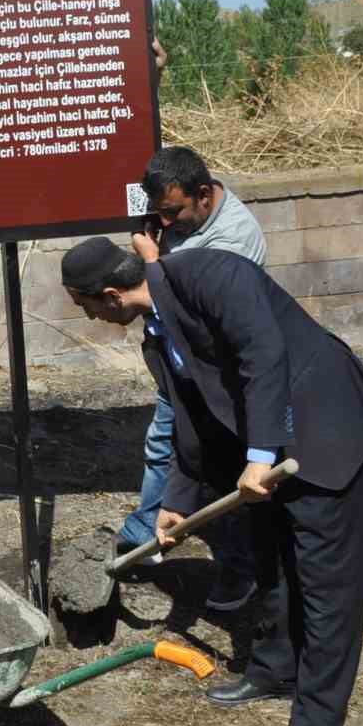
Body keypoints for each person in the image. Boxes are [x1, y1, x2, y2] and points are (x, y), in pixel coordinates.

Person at [61, 237, 363, 726]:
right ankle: (274, 669)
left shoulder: (213, 273)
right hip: (264, 447)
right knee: (270, 561)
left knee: (324, 581)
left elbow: (265, 354)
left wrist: (261, 454)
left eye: (86, 307)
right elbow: (193, 421)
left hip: (325, 425)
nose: (91, 318)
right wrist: (175, 503)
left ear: (111, 294)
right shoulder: (155, 337)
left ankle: (317, 721)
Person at [121, 145, 267, 611]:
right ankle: (142, 538)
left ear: (204, 195)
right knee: (163, 446)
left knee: (212, 472)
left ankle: (240, 570)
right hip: (180, 367)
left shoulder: (233, 240)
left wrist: (151, 263)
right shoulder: (186, 216)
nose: (164, 225)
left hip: (216, 379)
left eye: (172, 213)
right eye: (158, 215)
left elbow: (194, 313)